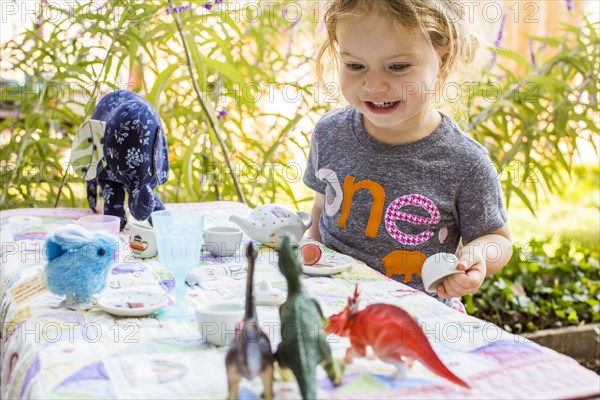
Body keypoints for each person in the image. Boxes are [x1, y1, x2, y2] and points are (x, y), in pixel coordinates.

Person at [303, 0, 512, 309]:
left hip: (416, 319)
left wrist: (476, 256)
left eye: (398, 66)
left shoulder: (465, 163)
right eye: (355, 65)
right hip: (334, 306)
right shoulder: (330, 133)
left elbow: (498, 240)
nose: (374, 85)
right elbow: (321, 212)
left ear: (444, 57)